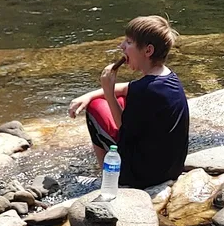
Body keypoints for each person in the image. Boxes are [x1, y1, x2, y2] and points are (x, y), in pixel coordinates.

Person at [69, 15, 190, 189]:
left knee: (95, 108)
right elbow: (128, 88)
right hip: (172, 168)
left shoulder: (144, 91)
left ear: (148, 51)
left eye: (129, 42)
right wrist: (90, 94)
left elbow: (123, 129)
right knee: (111, 99)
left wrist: (108, 93)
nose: (121, 46)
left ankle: (110, 178)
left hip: (144, 176)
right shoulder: (167, 77)